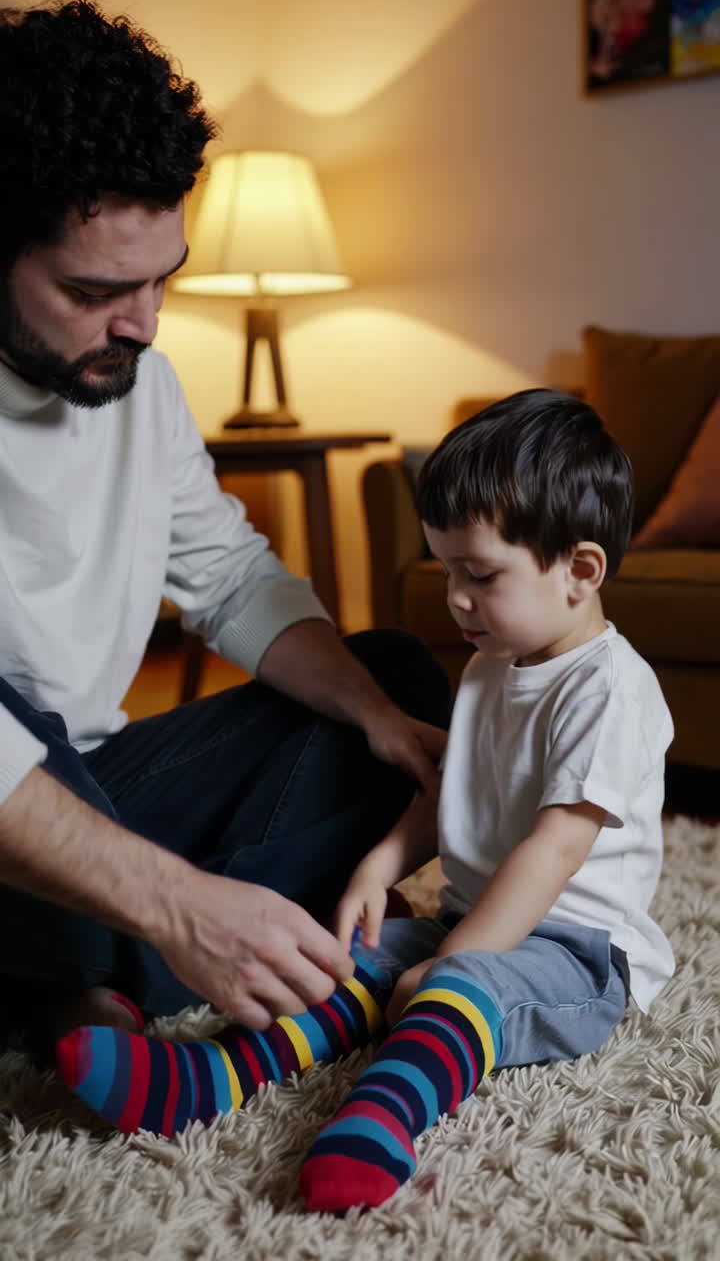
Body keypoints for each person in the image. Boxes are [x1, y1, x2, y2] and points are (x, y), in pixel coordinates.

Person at [57, 389, 675, 1213]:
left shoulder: (610, 692)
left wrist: (458, 961)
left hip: (577, 950)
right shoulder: (495, 661)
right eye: (447, 570)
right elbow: (450, 788)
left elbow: (553, 851)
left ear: (581, 570)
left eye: (481, 575)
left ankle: (383, 1113)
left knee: (458, 994)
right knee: (355, 964)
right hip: (474, 917)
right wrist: (381, 866)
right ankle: (207, 1076)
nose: (456, 599)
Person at [0, 0, 451, 1055]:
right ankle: (103, 960)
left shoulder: (137, 381)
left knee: (393, 681)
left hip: (88, 800)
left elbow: (232, 579)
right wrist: (179, 907)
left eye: (166, 278)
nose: (146, 325)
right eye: (95, 289)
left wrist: (375, 711)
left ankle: (66, 973)